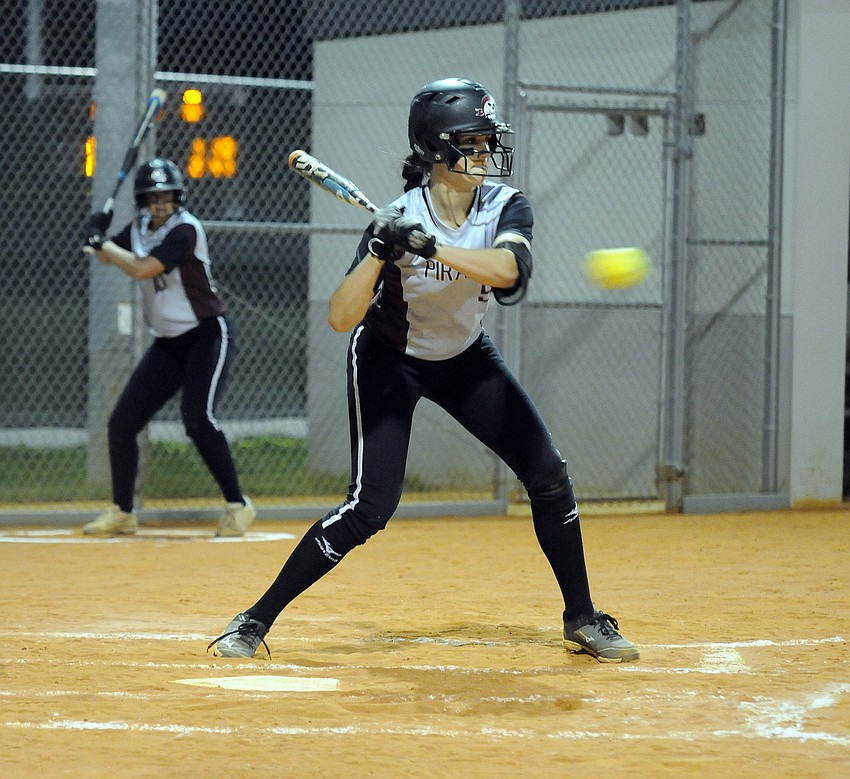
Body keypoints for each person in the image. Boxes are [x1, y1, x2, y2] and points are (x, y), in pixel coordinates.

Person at [208, 78, 638, 662]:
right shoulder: (396, 219)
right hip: (390, 361)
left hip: (464, 358)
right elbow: (340, 317)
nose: (487, 150)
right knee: (370, 508)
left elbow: (508, 270)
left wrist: (432, 248)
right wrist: (383, 250)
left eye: (490, 139)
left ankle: (583, 618)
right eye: (474, 140)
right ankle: (253, 621)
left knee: (548, 475)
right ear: (438, 150)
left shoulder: (506, 205)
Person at [81, 158, 255, 538]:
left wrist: (106, 243)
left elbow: (144, 268)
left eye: (167, 196)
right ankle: (123, 512)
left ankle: (238, 506)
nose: (160, 204)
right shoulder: (140, 228)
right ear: (143, 202)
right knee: (122, 423)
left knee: (197, 419)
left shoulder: (185, 230)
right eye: (153, 197)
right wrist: (95, 236)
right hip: (168, 343)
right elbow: (106, 252)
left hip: (207, 334)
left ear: (178, 197)